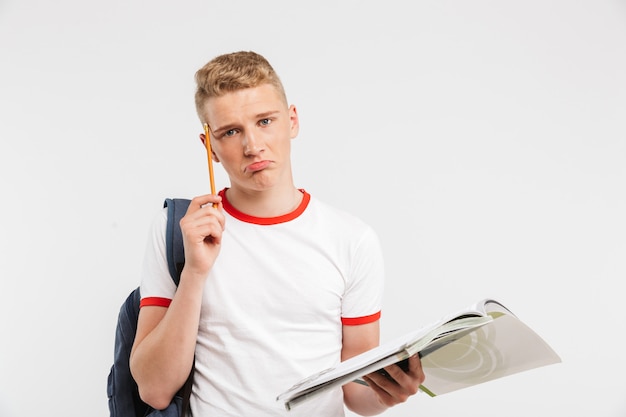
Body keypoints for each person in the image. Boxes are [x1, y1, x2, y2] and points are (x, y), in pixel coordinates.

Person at [129, 50, 424, 416]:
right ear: (211, 148)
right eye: (231, 132)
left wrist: (389, 392)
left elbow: (357, 394)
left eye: (265, 121)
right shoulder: (179, 230)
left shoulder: (352, 239)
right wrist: (195, 272)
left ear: (292, 120)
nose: (253, 146)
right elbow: (154, 390)